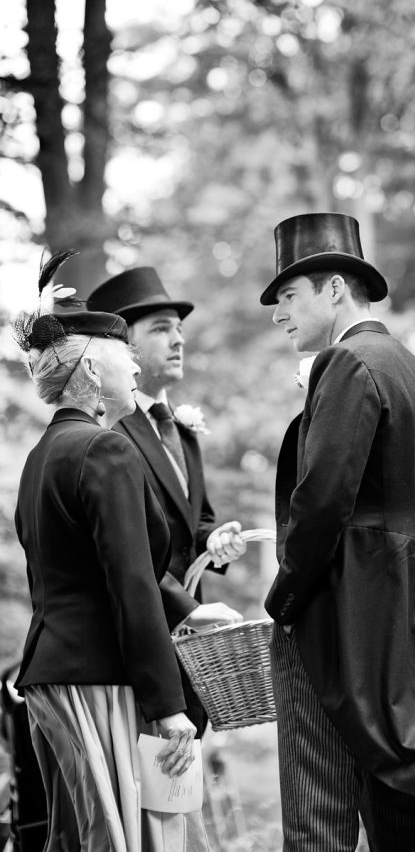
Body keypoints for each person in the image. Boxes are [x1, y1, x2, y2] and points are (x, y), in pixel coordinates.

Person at [260, 213, 415, 852]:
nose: (278, 314)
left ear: (334, 289)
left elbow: (322, 501)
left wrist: (284, 599)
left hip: (348, 618)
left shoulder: (348, 363)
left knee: (320, 814)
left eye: (288, 295)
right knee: (397, 810)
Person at [12, 253, 214, 852]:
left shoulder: (42, 455)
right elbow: (132, 585)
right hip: (100, 680)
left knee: (78, 836)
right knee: (130, 835)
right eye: (126, 355)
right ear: (93, 372)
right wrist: (168, 706)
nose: (135, 366)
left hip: (52, 677)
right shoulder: (106, 449)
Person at [87, 267, 245, 730]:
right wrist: (185, 609)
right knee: (146, 772)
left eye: (179, 329)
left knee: (183, 773)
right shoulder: (109, 431)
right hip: (135, 652)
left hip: (191, 652)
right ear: (124, 347)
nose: (178, 340)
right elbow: (119, 549)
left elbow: (194, 521)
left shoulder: (183, 429)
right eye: (161, 329)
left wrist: (215, 538)